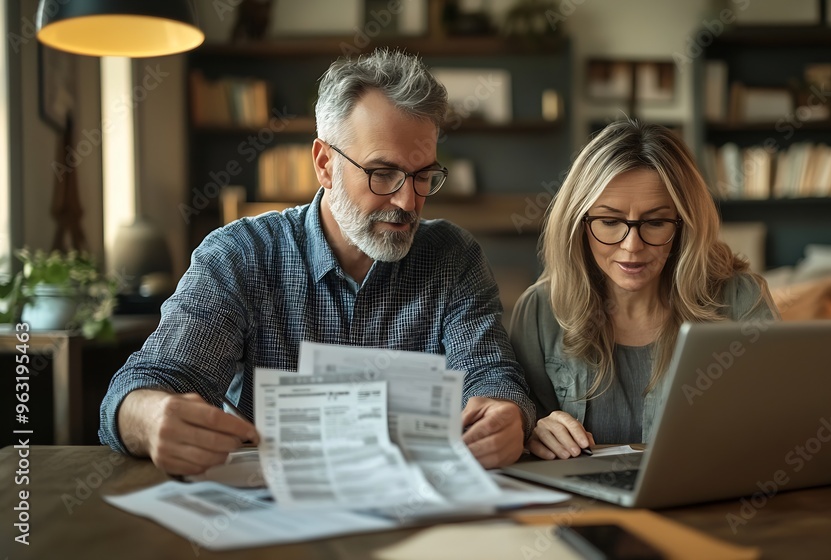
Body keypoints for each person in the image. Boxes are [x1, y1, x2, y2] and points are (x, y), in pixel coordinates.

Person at [99, 49, 534, 475]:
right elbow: (148, 383)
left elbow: (489, 373)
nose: (407, 201)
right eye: (382, 173)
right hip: (273, 518)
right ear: (325, 164)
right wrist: (151, 417)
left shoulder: (452, 256)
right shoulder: (241, 255)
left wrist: (506, 413)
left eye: (423, 176)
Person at [510, 120, 779, 460]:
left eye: (655, 222)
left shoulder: (740, 299)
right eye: (609, 222)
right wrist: (534, 429)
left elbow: (779, 423)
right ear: (579, 223)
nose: (632, 246)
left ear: (685, 225)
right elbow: (521, 421)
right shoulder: (540, 310)